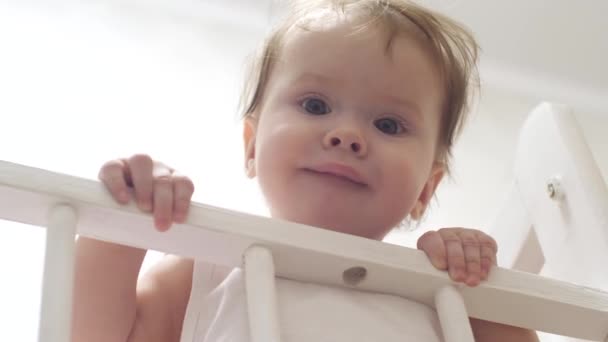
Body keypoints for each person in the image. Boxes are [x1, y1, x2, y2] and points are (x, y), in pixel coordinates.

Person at [72, 1, 539, 341]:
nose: (348, 135)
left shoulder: (435, 292)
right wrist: (122, 221)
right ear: (252, 147)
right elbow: (91, 333)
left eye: (388, 124)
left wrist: (479, 283)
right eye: (315, 105)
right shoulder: (207, 268)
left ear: (426, 189)